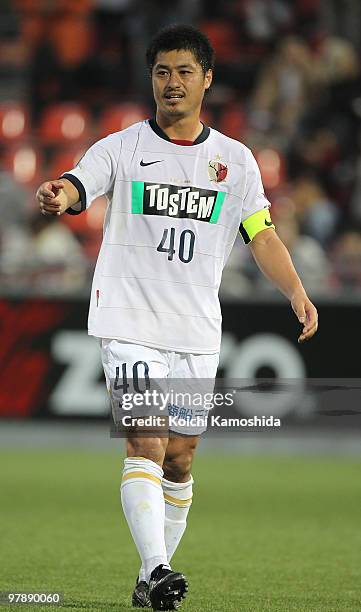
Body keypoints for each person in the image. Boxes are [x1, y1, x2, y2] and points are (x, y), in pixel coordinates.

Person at [35, 25, 318, 611]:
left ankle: (149, 583)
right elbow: (79, 183)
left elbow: (261, 236)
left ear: (207, 80)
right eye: (162, 72)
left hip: (194, 328)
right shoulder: (122, 147)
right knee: (146, 443)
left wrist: (296, 292)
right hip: (129, 319)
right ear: (151, 80)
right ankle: (158, 567)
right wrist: (61, 194)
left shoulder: (234, 163)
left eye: (184, 72)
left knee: (181, 457)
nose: (172, 83)